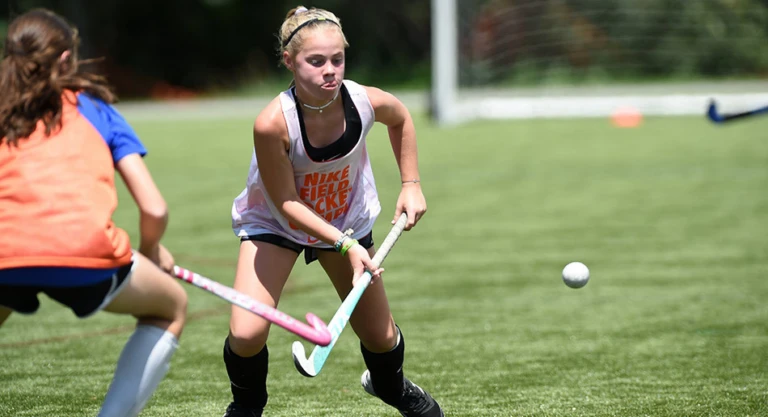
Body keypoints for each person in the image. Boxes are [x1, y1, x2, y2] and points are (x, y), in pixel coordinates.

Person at [223, 5, 443, 417]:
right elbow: (287, 203)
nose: (330, 71)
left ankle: (390, 387)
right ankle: (247, 405)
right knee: (247, 333)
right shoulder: (273, 123)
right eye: (316, 61)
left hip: (344, 218)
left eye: (337, 59)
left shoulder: (362, 101)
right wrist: (345, 245)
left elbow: (400, 118)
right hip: (276, 223)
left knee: (380, 337)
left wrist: (411, 184)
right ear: (289, 62)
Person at [0, 9, 187, 417]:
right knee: (170, 307)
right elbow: (154, 208)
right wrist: (151, 250)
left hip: (4, 252)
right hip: (84, 253)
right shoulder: (95, 108)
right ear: (67, 59)